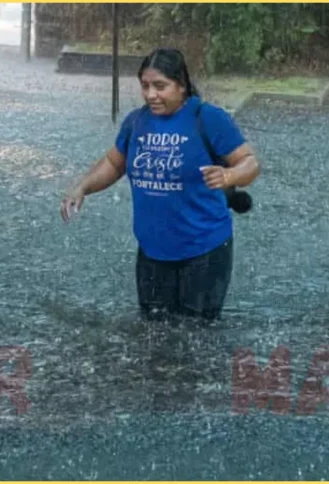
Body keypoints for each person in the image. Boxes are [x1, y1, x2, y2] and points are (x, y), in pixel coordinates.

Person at [61, 47, 261, 321]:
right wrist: (82, 187)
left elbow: (250, 163)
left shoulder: (207, 118)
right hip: (153, 251)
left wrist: (229, 176)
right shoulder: (137, 122)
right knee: (153, 335)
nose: (150, 95)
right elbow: (113, 164)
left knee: (196, 337)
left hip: (204, 250)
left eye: (160, 86)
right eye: (145, 86)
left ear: (181, 85)